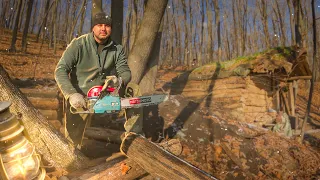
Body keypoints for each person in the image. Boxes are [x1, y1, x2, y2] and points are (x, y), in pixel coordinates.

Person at [54, 11, 143, 149]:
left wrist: (119, 81)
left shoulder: (117, 49)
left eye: (107, 26)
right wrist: (71, 94)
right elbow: (60, 70)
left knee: (133, 89)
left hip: (105, 94)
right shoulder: (79, 44)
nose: (103, 28)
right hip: (81, 95)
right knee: (72, 142)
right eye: (99, 25)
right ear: (93, 28)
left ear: (111, 29)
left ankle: (135, 138)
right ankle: (74, 152)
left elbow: (125, 71)